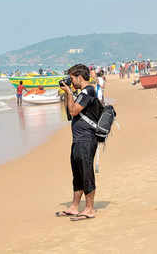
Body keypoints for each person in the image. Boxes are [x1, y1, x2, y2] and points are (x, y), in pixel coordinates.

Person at [56, 64, 99, 221]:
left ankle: (89, 209)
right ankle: (75, 207)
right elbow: (70, 114)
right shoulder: (82, 93)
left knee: (86, 173)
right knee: (78, 174)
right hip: (78, 139)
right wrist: (69, 94)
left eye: (72, 78)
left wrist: (68, 91)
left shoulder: (88, 91)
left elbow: (74, 111)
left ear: (79, 77)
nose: (71, 81)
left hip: (86, 139)